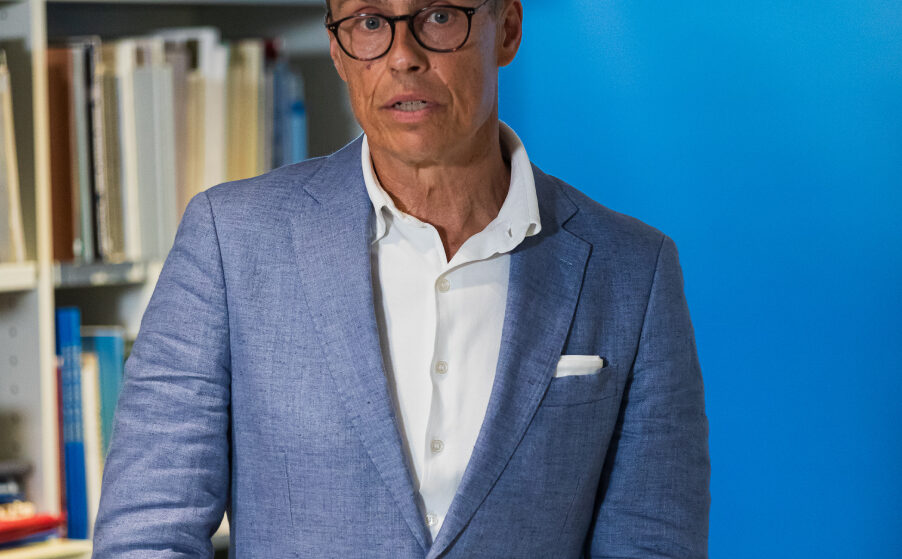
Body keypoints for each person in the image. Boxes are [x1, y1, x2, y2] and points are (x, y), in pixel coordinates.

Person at [92, 0, 710, 557]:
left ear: (507, 29)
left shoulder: (633, 269)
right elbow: (147, 531)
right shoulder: (230, 240)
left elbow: (653, 542)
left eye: (439, 16)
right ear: (338, 50)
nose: (403, 56)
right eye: (369, 22)